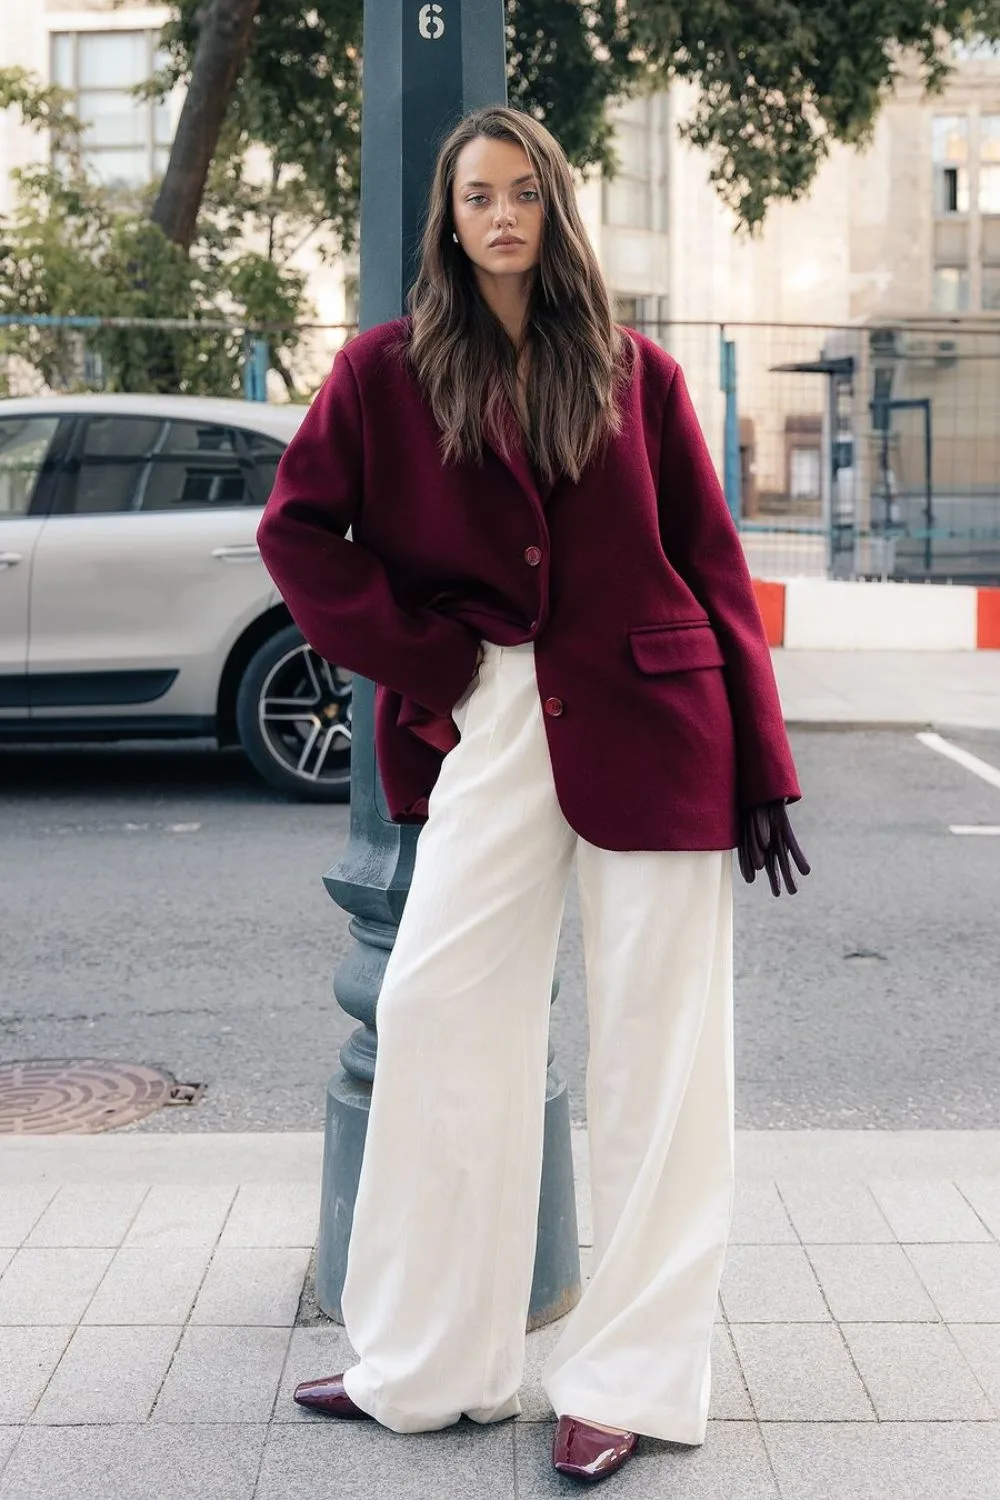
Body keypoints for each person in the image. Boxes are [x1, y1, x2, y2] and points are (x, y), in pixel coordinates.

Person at [256, 104, 809, 1485]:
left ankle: (624, 1380)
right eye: (477, 196)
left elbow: (713, 568)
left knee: (656, 1065)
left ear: (557, 208)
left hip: (660, 723)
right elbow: (296, 533)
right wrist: (430, 656)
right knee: (438, 1016)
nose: (501, 215)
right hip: (489, 719)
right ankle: (428, 1363)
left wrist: (763, 766)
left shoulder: (635, 373)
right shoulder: (386, 372)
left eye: (524, 192)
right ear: (449, 221)